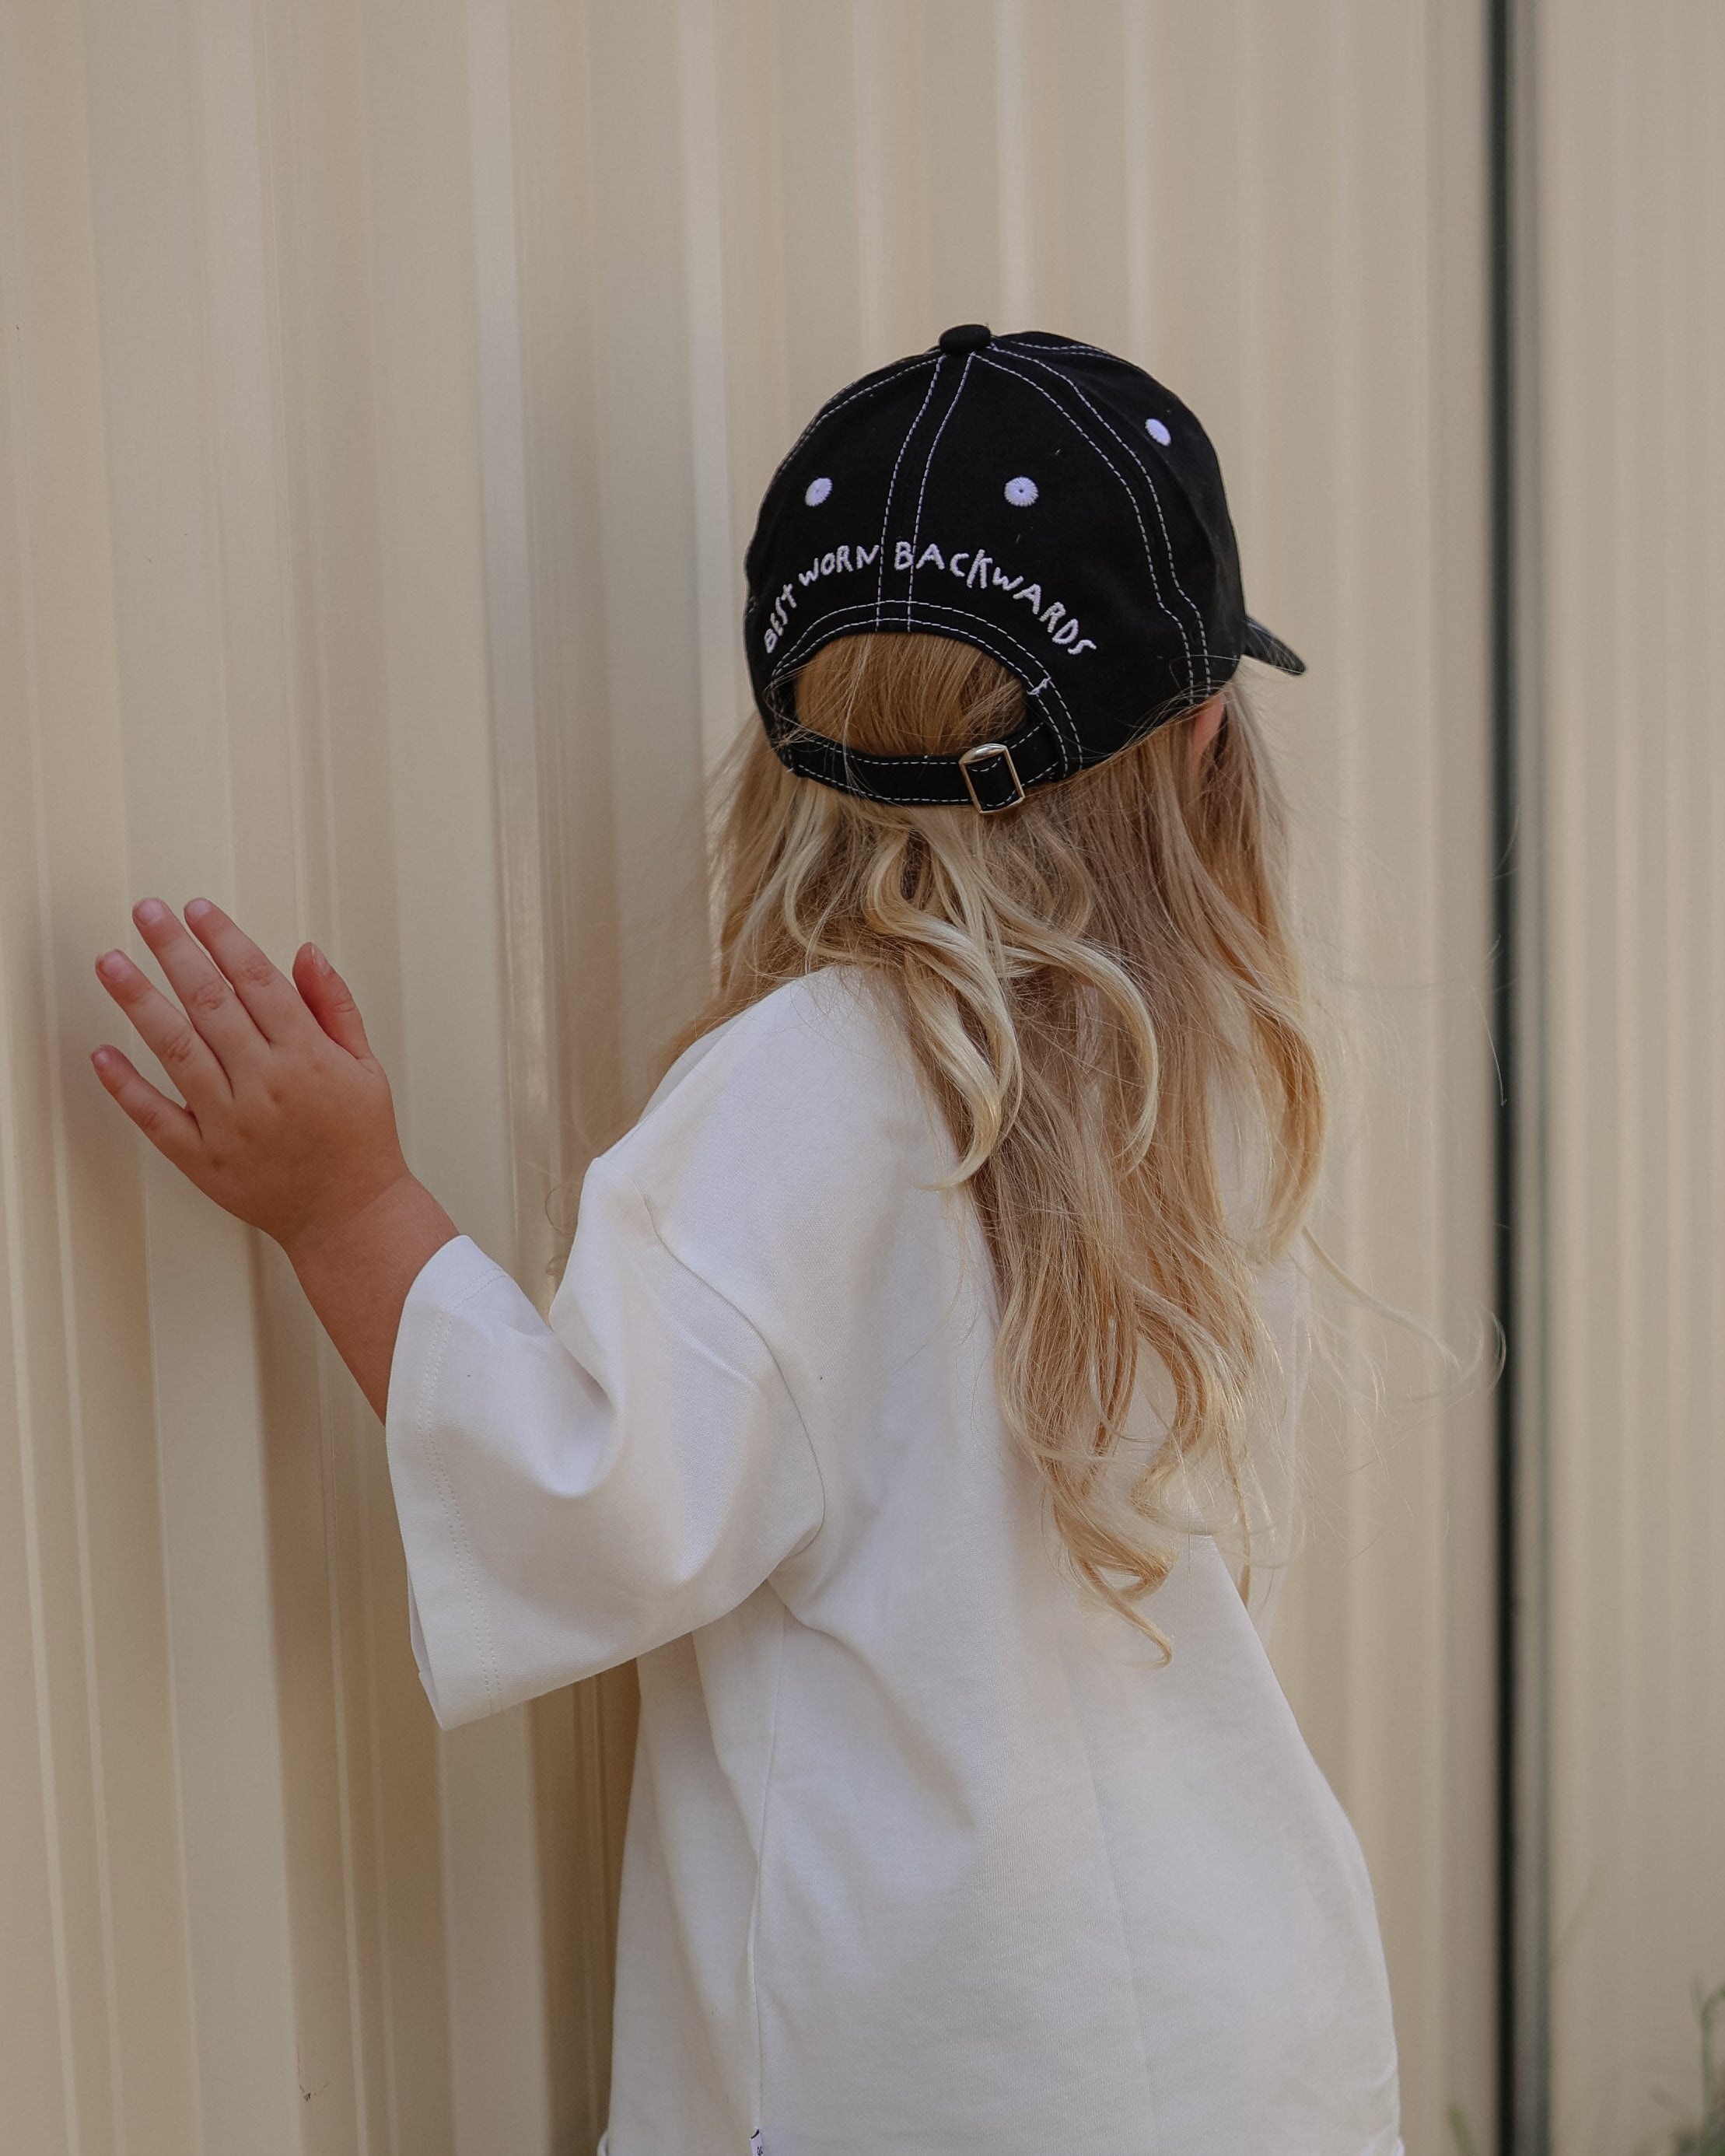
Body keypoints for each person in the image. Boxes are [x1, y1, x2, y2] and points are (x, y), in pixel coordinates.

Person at [90, 326, 1405, 2155]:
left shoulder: (809, 1090)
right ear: (1196, 745)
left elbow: (597, 1502)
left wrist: (347, 1209)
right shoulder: (1174, 1081)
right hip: (1229, 2013)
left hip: (935, 2057)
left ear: (786, 740)